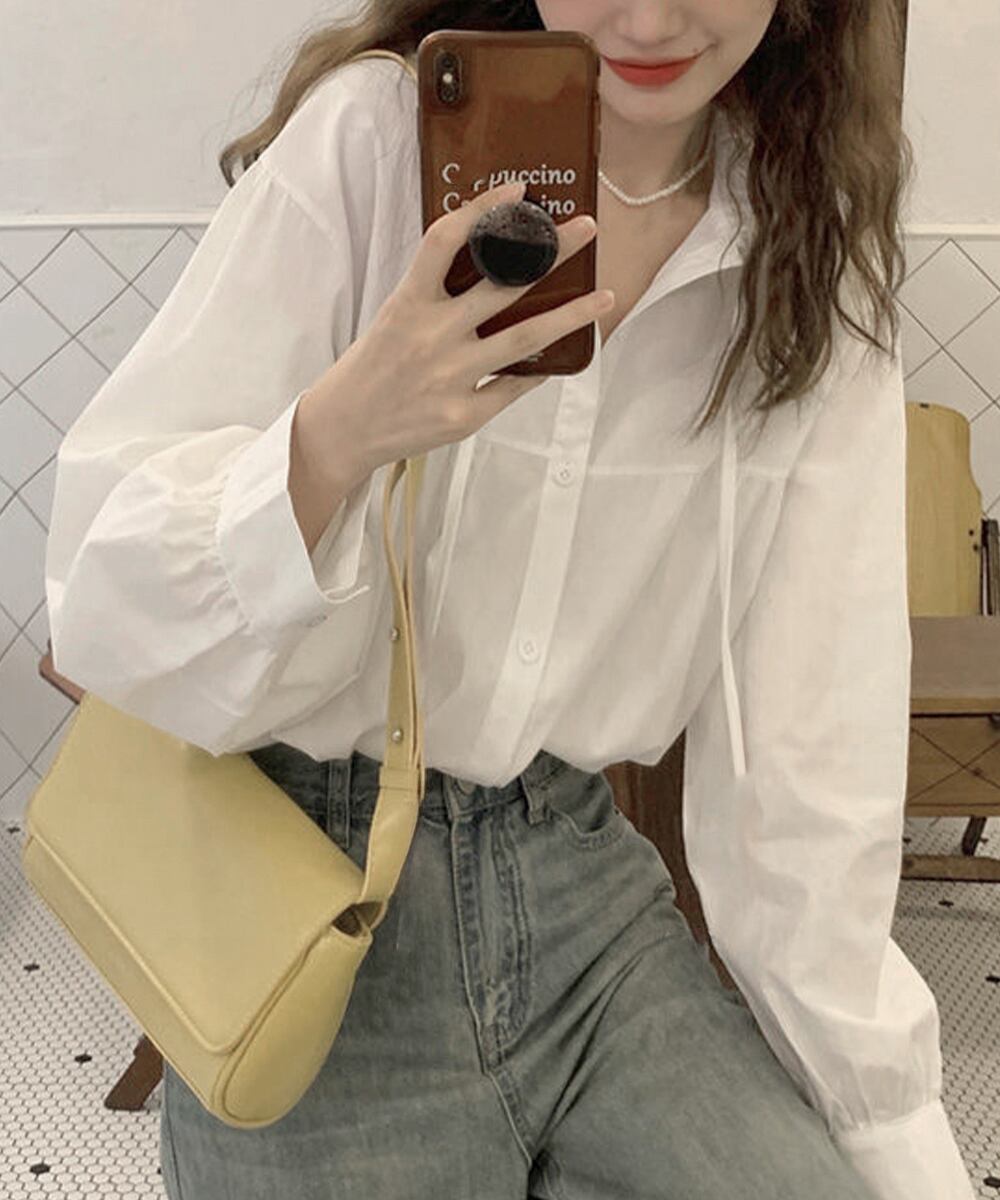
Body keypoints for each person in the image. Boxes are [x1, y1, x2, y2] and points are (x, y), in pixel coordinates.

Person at [44, 1, 975, 1198]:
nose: (650, 16)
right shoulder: (372, 147)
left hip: (586, 888)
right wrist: (335, 436)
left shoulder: (804, 241)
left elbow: (811, 740)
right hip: (303, 884)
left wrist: (889, 1128)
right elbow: (101, 599)